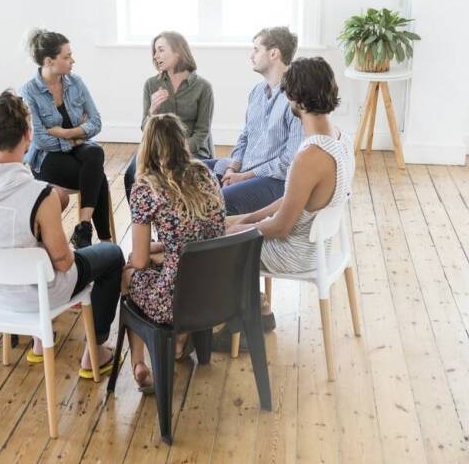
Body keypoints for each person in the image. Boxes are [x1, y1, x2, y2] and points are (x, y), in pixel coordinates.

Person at [0, 90, 124, 377]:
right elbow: (64, 264)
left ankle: (41, 342)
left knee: (29, 245)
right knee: (112, 254)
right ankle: (95, 352)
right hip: (36, 295)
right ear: (28, 134)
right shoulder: (39, 194)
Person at [227, 57, 354, 342]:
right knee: (229, 226)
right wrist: (246, 219)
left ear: (295, 99)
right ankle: (258, 309)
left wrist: (237, 230)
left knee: (216, 244)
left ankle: (233, 327)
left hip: (295, 252)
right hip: (318, 245)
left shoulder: (309, 155)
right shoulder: (341, 140)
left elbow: (280, 228)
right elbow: (291, 200)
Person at [121, 113, 226, 392]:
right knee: (163, 268)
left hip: (176, 302)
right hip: (218, 291)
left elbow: (140, 261)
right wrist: (161, 249)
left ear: (147, 147)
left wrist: (144, 254)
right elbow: (195, 235)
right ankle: (180, 343)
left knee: (128, 273)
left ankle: (139, 364)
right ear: (182, 141)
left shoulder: (146, 188)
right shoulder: (204, 174)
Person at [20, 29, 111, 249]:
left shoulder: (75, 82)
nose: (73, 60)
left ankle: (84, 228)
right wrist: (77, 136)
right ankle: (104, 240)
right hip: (46, 158)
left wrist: (65, 133)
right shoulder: (29, 91)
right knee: (97, 177)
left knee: (95, 152)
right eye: (67, 56)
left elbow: (96, 122)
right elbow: (40, 139)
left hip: (77, 149)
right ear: (49, 61)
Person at [203, 27, 303, 216]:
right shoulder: (257, 92)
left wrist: (244, 176)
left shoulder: (296, 98)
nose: (251, 55)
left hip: (274, 180)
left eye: (256, 49)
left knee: (218, 200)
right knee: (184, 171)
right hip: (243, 168)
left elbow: (290, 161)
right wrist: (232, 168)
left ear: (273, 54)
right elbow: (245, 136)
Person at [123, 31, 215, 202]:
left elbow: (202, 131)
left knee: (183, 177)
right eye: (155, 51)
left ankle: (180, 216)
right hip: (157, 149)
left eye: (161, 50)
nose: (156, 56)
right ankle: (141, 218)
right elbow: (145, 127)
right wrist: (152, 111)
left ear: (178, 51)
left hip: (191, 149)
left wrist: (179, 151)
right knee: (131, 174)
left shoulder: (203, 87)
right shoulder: (151, 84)